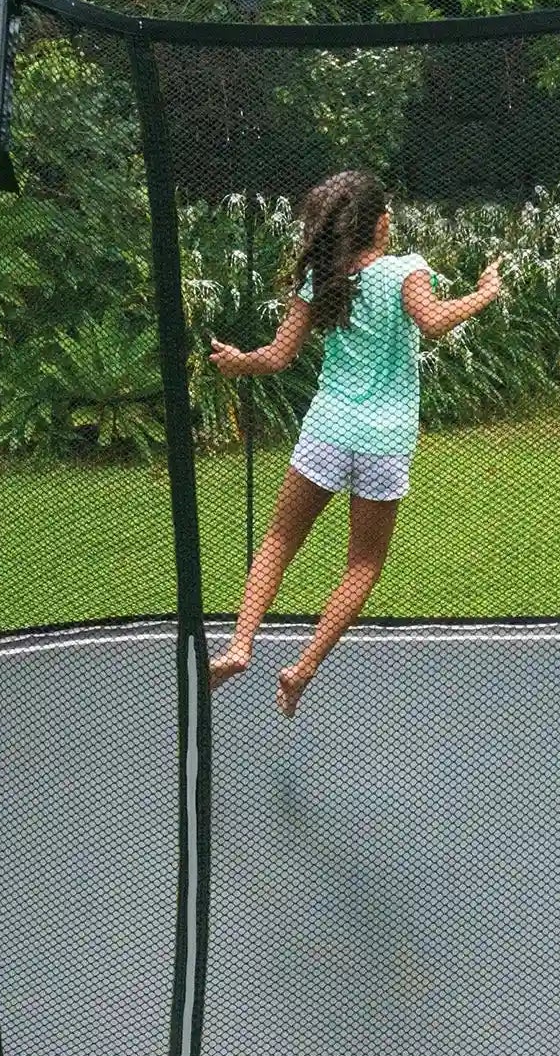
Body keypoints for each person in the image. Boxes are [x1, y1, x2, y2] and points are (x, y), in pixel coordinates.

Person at [208, 169, 502, 717]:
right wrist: (484, 293)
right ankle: (302, 669)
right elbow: (435, 322)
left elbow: (277, 356)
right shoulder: (406, 271)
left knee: (277, 539)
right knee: (363, 565)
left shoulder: (324, 278)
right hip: (383, 442)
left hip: (328, 430)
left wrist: (238, 363)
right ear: (382, 224)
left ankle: (240, 644)